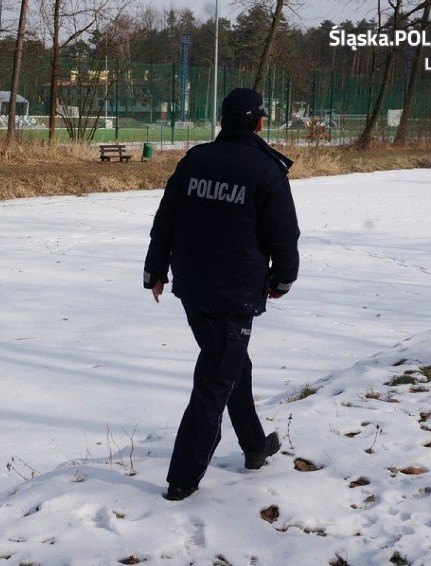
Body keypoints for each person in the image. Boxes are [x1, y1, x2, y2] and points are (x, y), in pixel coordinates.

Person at [143, 87, 300, 501]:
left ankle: (253, 446)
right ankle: (183, 479)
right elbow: (284, 234)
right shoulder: (266, 169)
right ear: (259, 122)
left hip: (193, 289)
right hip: (235, 296)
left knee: (231, 366)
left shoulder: (196, 159)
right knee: (215, 380)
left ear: (223, 120)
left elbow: (166, 219)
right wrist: (283, 279)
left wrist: (155, 269)